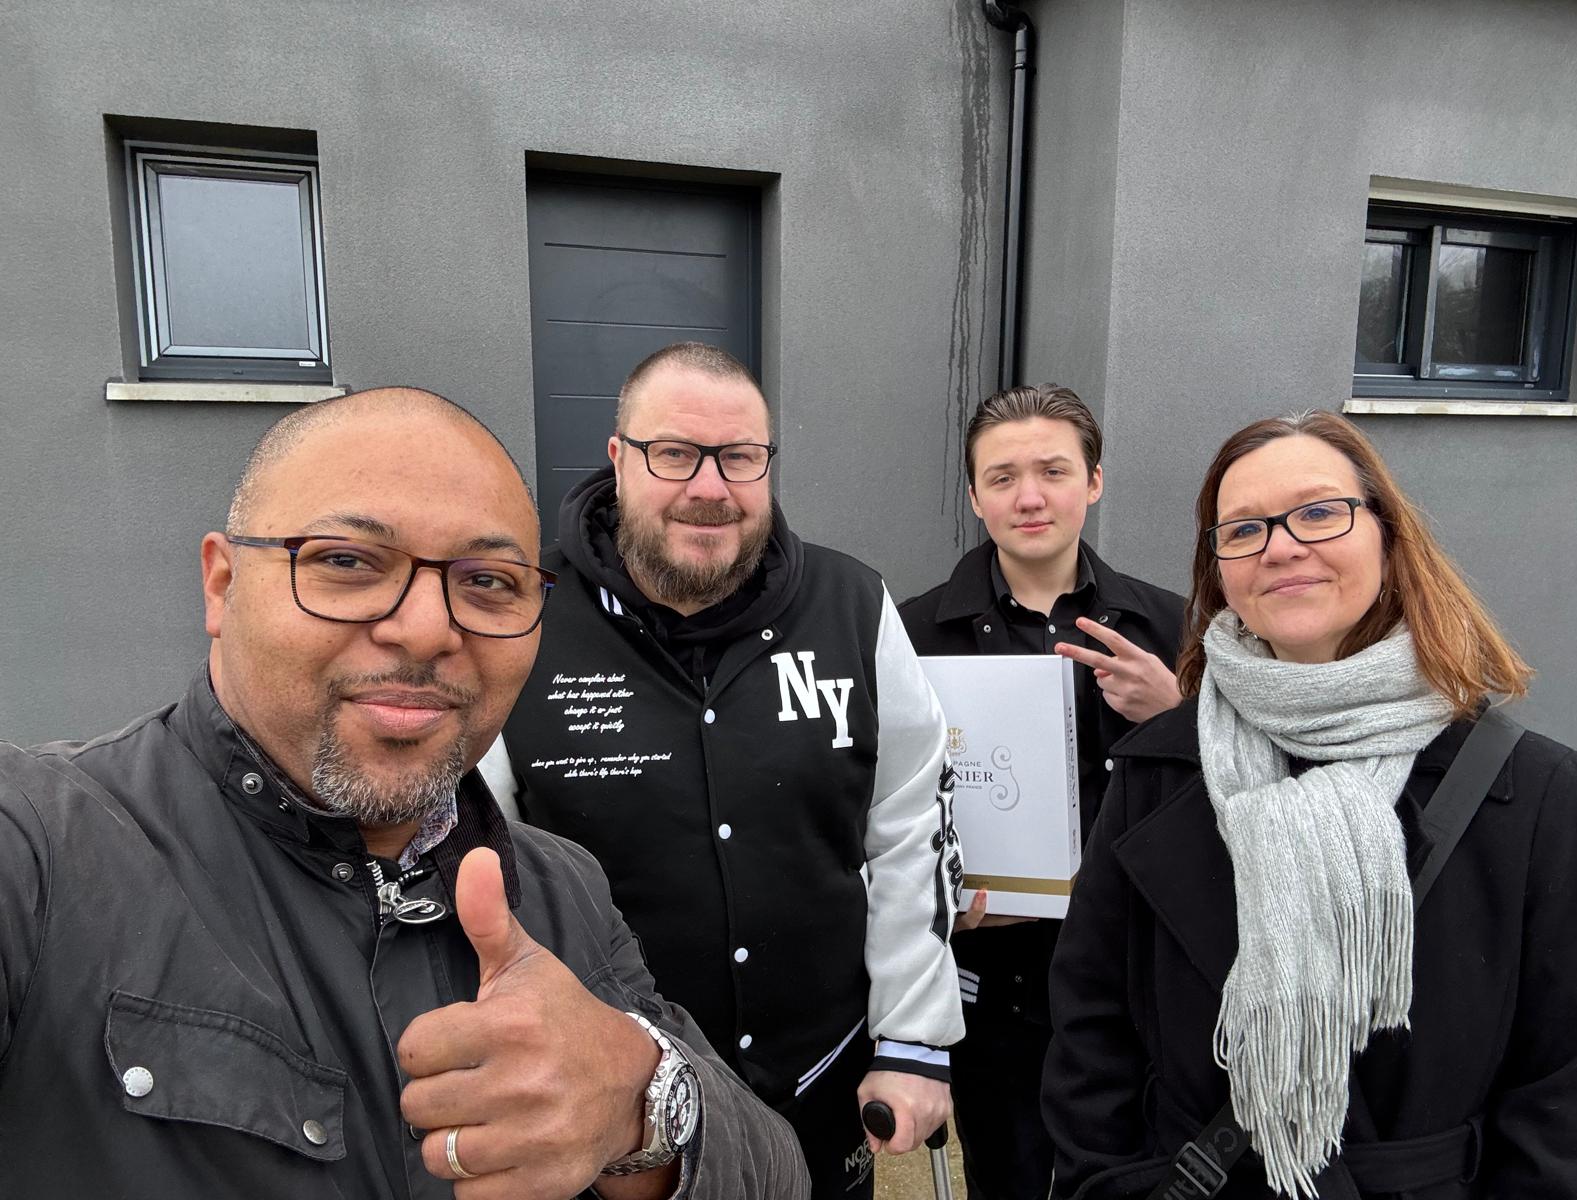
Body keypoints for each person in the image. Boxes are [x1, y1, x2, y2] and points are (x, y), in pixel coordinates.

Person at [0, 388, 807, 1199]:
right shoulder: (42, 851)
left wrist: (644, 1107)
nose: (426, 630)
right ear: (221, 583)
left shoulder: (563, 891)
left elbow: (777, 1175)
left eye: (488, 581)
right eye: (346, 562)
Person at [1042, 410, 1577, 1199]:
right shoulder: (1158, 770)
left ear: (1387, 534)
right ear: (1219, 570)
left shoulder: (1533, 789)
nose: (1279, 546)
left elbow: (1570, 1080)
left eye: (1317, 512)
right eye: (1242, 529)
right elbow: (1090, 1024)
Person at [490, 342, 965, 1197]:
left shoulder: (855, 606)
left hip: (817, 1088)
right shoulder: (524, 617)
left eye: (740, 457)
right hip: (614, 1115)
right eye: (674, 453)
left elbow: (910, 828)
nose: (710, 488)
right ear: (618, 458)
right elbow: (473, 858)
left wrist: (913, 1043)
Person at [898, 384, 1184, 1200]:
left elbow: (1237, 794)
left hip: (1142, 983)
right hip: (995, 988)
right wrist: (935, 895)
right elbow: (879, 803)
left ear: (1094, 482)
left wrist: (1177, 716)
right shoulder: (910, 632)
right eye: (1003, 477)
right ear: (975, 497)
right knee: (1011, 1176)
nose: (1030, 497)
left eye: (1054, 471)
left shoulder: (1175, 627)